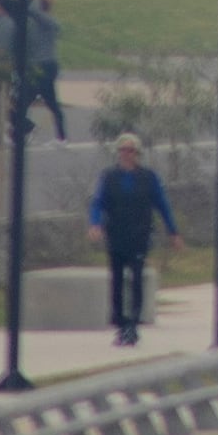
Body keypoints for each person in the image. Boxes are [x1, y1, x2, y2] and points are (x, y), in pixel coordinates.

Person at [85, 136, 179, 344]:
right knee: (117, 281)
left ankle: (133, 325)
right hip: (116, 236)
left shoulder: (148, 177)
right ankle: (120, 323)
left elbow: (162, 205)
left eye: (130, 151)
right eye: (122, 150)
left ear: (137, 154)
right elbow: (98, 203)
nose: (125, 154)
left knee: (136, 279)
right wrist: (95, 223)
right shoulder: (109, 176)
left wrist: (173, 232)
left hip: (139, 236)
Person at [24, 0, 70, 140]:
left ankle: (27, 129)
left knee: (26, 102)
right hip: (37, 68)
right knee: (50, 103)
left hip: (45, 67)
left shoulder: (49, 22)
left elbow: (32, 10)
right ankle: (61, 137)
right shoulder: (32, 24)